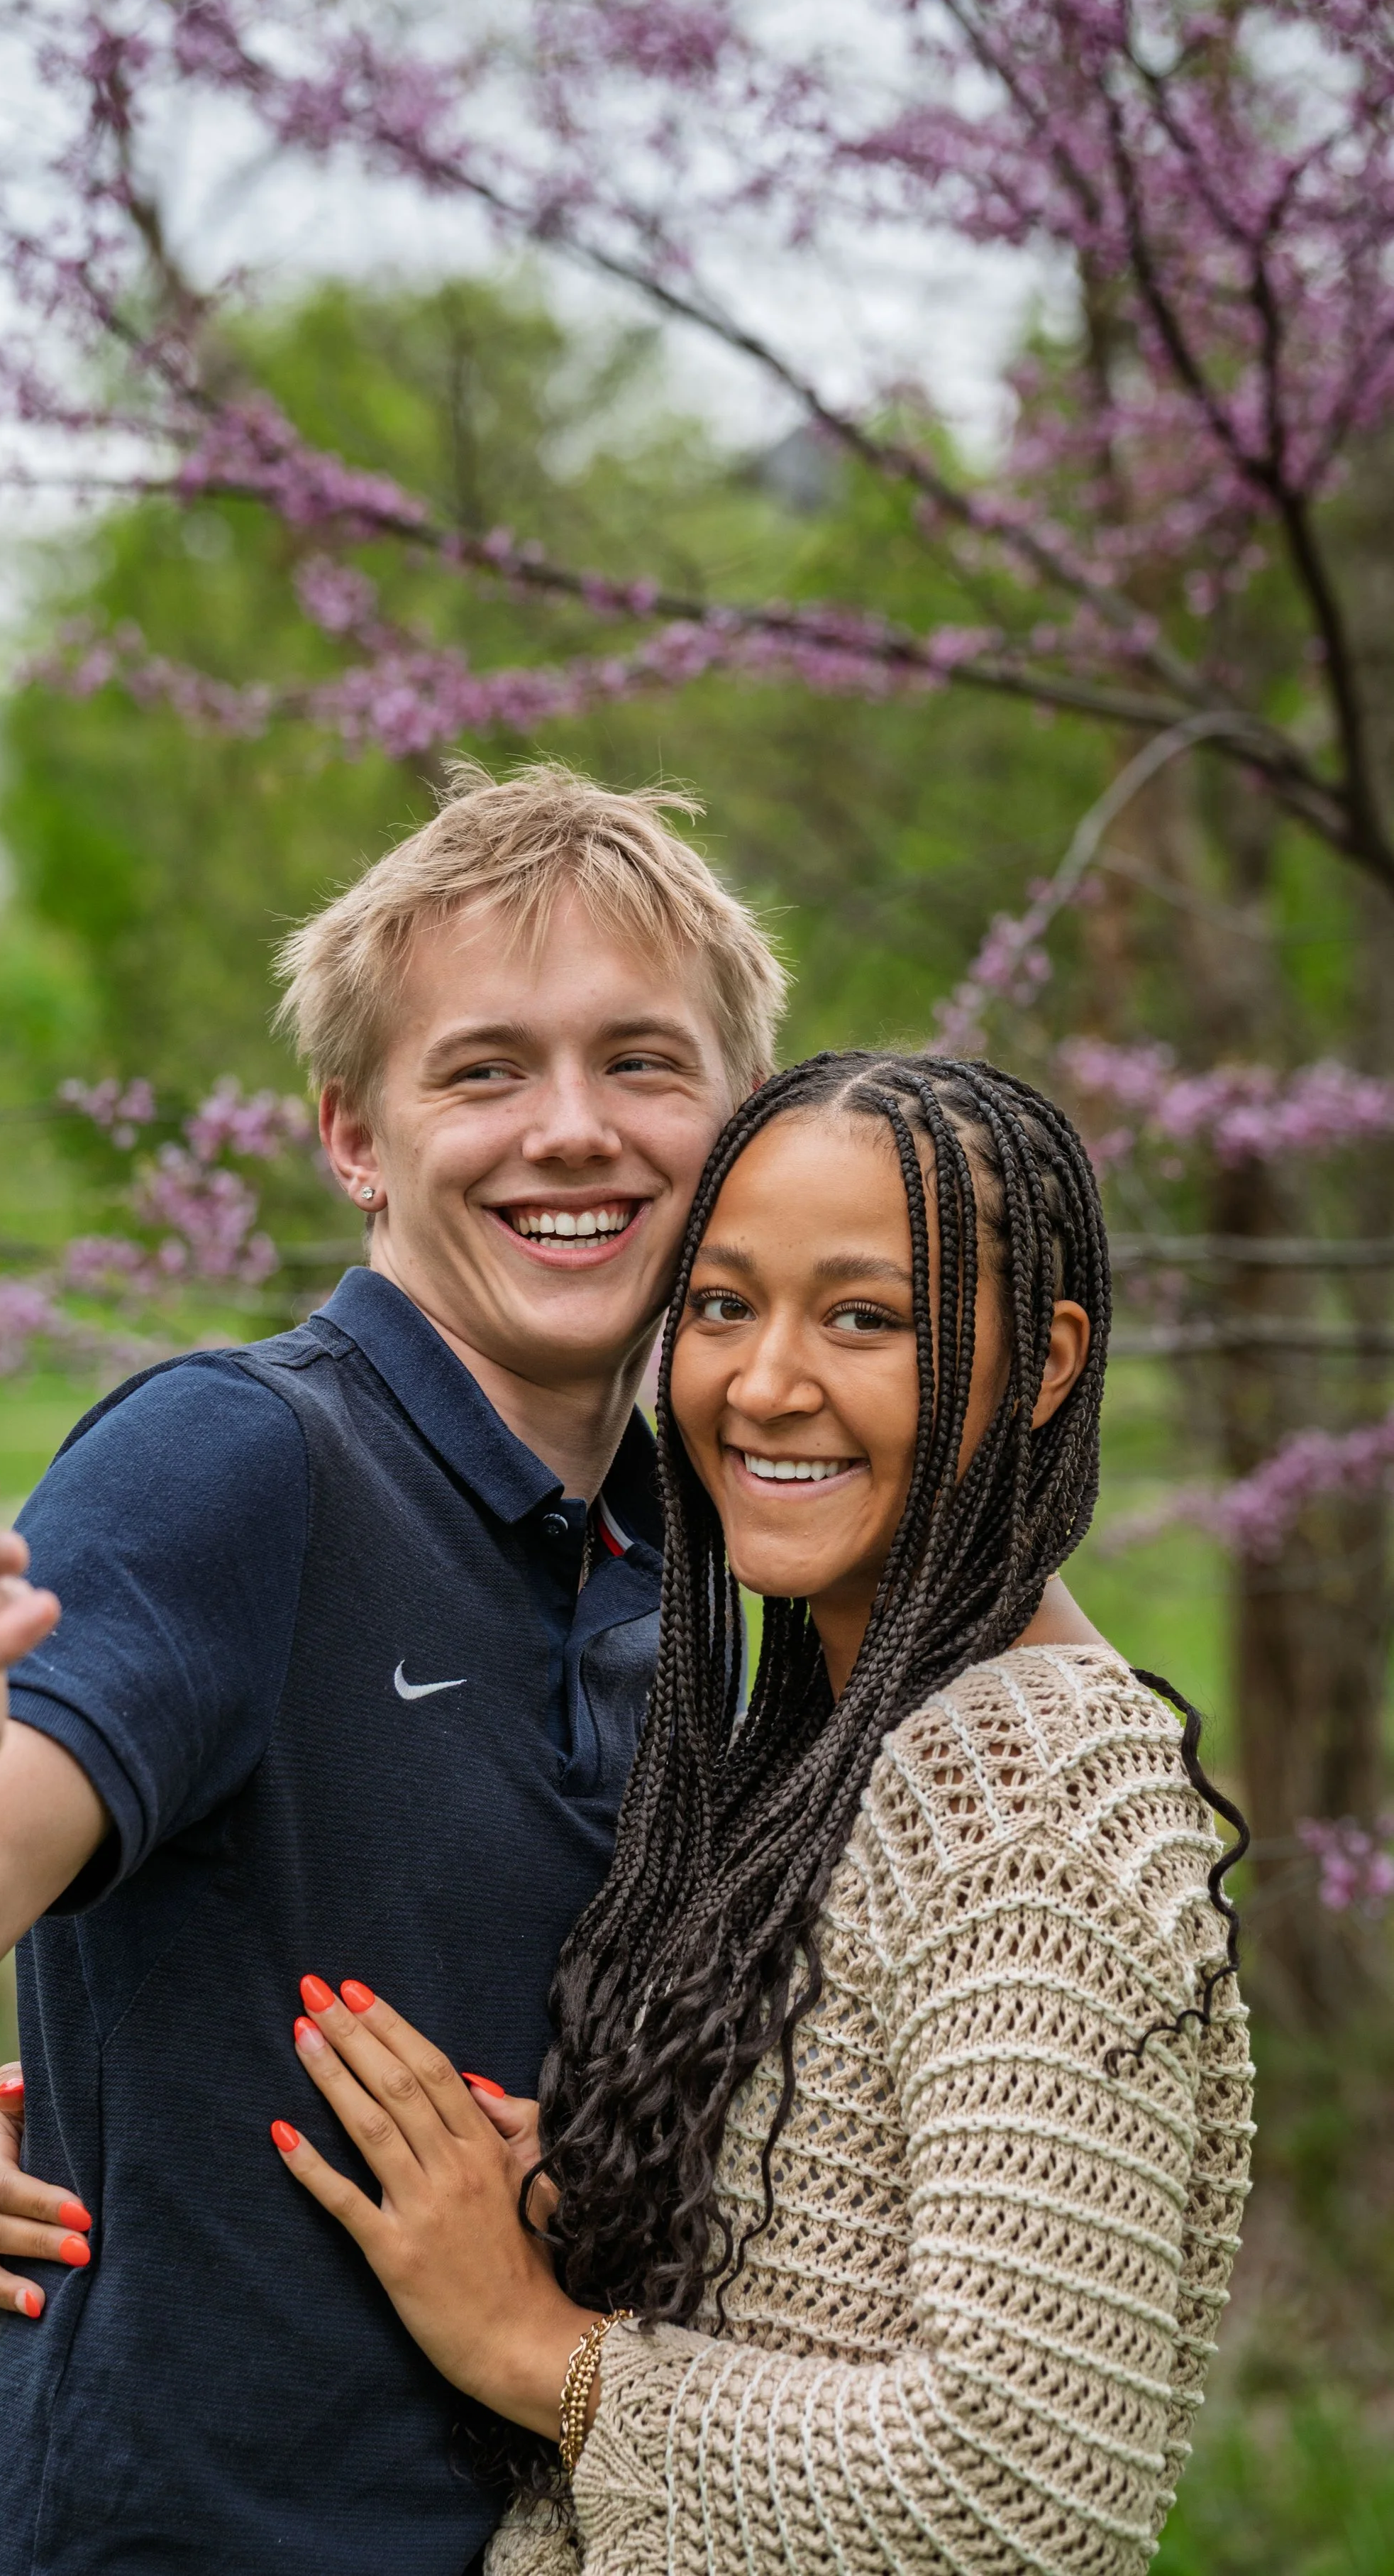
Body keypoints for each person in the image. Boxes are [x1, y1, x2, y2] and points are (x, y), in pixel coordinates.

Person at [0, 764, 793, 2576]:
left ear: (735, 1119)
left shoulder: (689, 1541)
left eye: (639, 1062)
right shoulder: (233, 1463)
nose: (570, 1130)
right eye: (481, 1069)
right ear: (351, 1140)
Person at [212, 1052, 1253, 2573]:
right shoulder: (826, 1747)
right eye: (718, 1306)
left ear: (1038, 1363)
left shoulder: (1025, 1795)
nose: (762, 1383)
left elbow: (1023, 2478)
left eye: (863, 1318)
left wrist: (534, 2352)